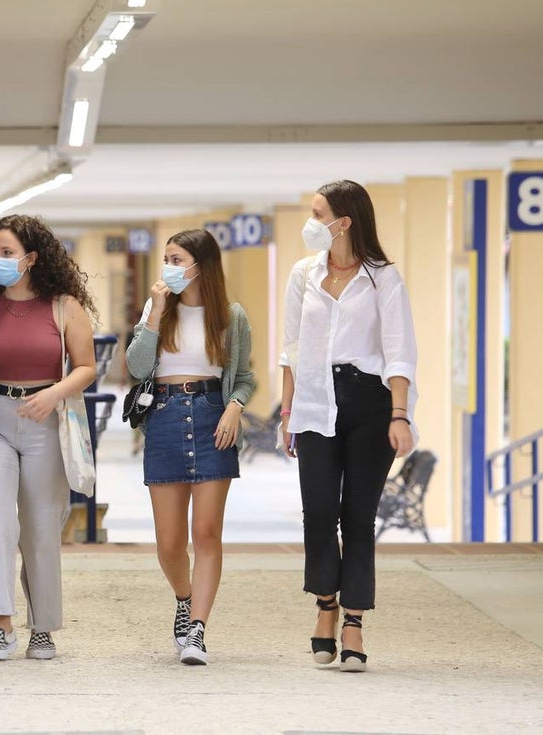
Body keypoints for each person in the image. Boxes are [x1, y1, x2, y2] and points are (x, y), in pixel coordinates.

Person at [0, 214, 96, 662]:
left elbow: (86, 367)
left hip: (45, 417)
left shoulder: (65, 306)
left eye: (8, 253)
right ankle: (1, 624)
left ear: (30, 258)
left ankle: (42, 626)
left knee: (41, 527)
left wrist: (53, 394)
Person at [280, 179, 417, 672]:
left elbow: (400, 351)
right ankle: (325, 605)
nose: (311, 222)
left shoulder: (383, 278)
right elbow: (291, 348)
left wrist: (400, 415)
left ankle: (354, 620)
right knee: (317, 511)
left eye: (319, 214)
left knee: (358, 516)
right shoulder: (303, 274)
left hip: (371, 404)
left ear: (344, 222)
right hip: (316, 401)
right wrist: (288, 411)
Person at [125, 229, 255, 665]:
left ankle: (197, 628)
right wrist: (156, 312)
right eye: (167, 259)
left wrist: (235, 406)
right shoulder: (157, 310)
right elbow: (136, 366)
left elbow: (245, 377)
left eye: (176, 259)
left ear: (201, 264)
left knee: (206, 532)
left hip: (211, 416)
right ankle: (184, 598)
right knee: (169, 542)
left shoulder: (230, 316)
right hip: (163, 415)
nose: (169, 268)